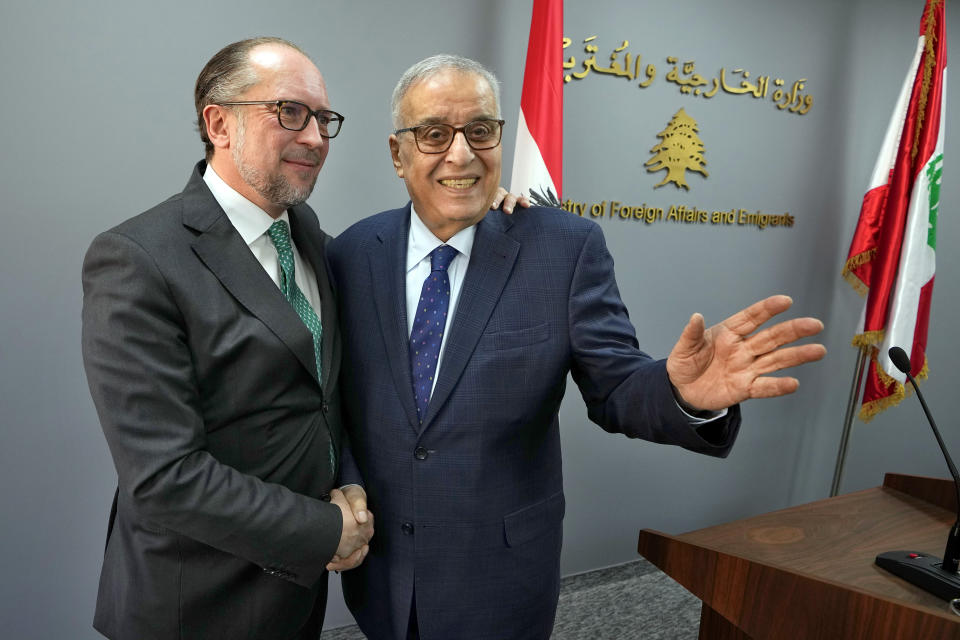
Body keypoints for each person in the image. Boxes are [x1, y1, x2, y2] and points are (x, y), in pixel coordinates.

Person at [327, 54, 826, 640]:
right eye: (434, 134)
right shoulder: (353, 253)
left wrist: (682, 393)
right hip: (385, 567)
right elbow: (339, 398)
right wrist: (348, 483)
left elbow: (615, 386)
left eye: (480, 131)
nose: (460, 154)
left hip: (500, 575)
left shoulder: (563, 249)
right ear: (398, 153)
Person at [81, 37, 376, 639]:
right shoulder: (137, 258)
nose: (316, 138)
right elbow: (164, 476)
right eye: (290, 112)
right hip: (194, 603)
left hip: (293, 592)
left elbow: (317, 395)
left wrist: (344, 482)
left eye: (324, 119)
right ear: (219, 123)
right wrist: (324, 530)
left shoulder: (306, 233)